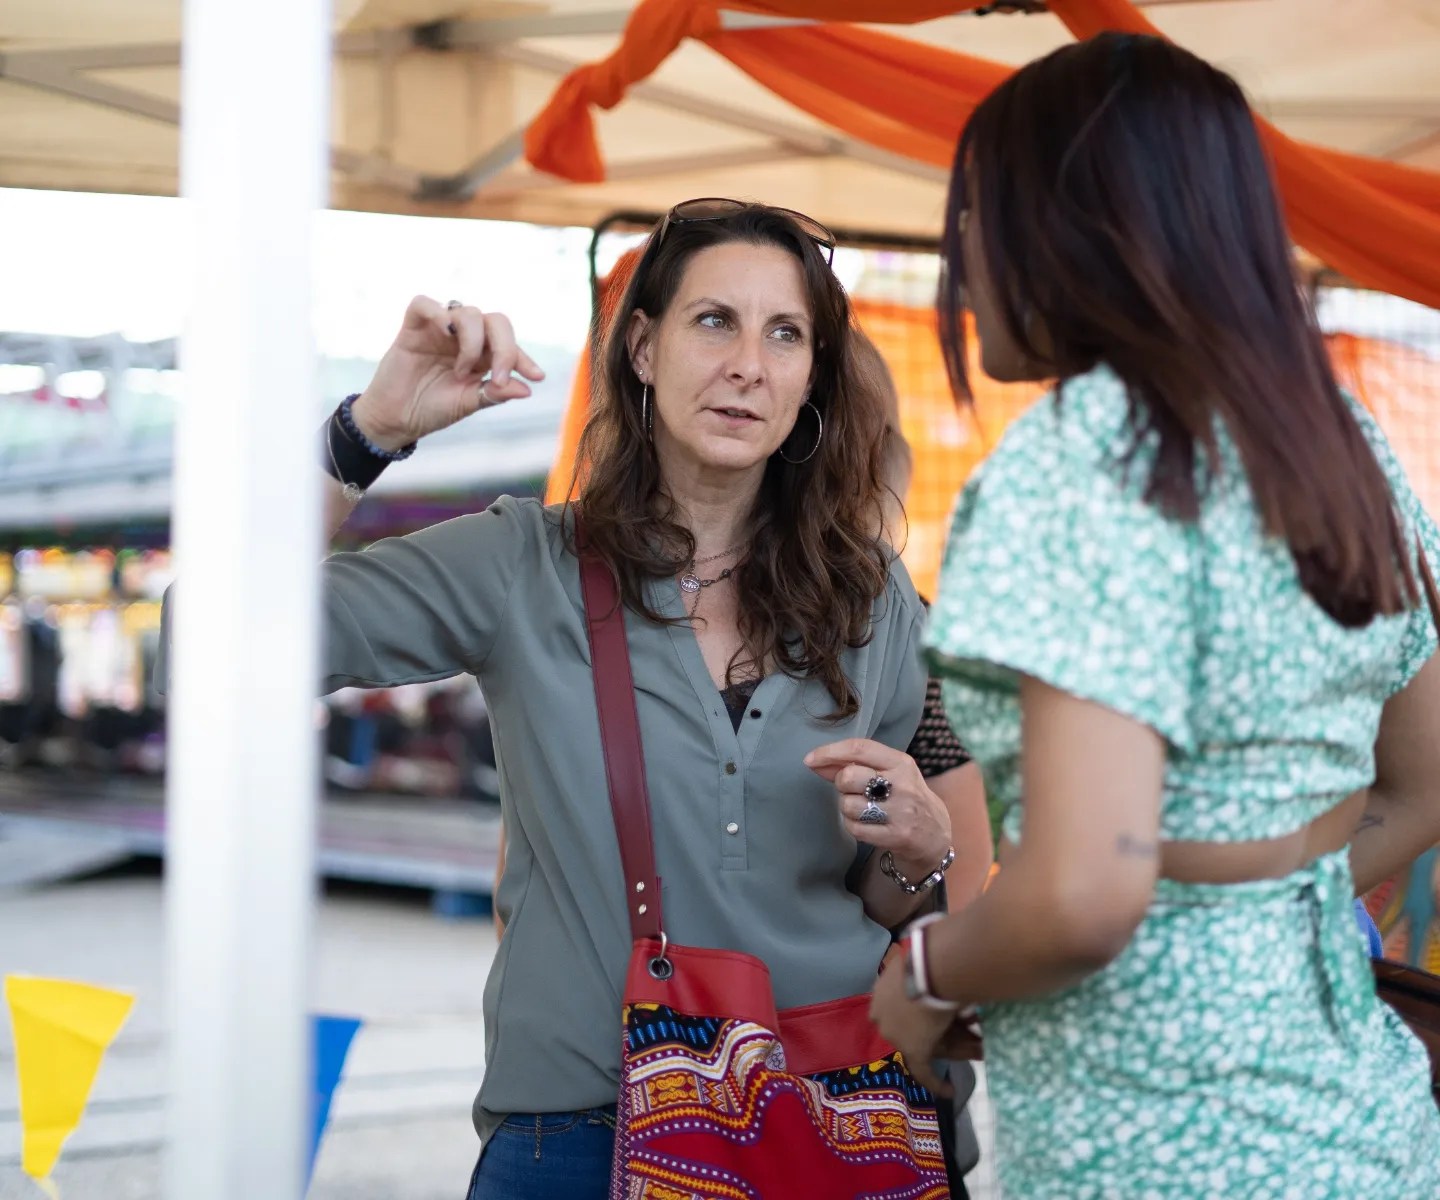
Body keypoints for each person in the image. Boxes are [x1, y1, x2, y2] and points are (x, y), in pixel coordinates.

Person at [166, 200, 970, 1198]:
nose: (748, 366)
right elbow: (212, 641)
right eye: (714, 321)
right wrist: (368, 433)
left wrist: (921, 852)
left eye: (784, 334)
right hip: (579, 1128)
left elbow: (887, 899)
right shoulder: (524, 563)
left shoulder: (874, 600)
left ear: (812, 376)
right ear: (642, 347)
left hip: (825, 1112)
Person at [868, 32, 1440, 1198]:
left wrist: (929, 972)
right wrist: (1249, 912)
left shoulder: (1076, 464)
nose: (963, 258)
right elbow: (1424, 782)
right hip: (1362, 1136)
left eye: (977, 214)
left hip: (1148, 1149)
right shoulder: (1344, 451)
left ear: (1072, 227)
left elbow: (1081, 896)